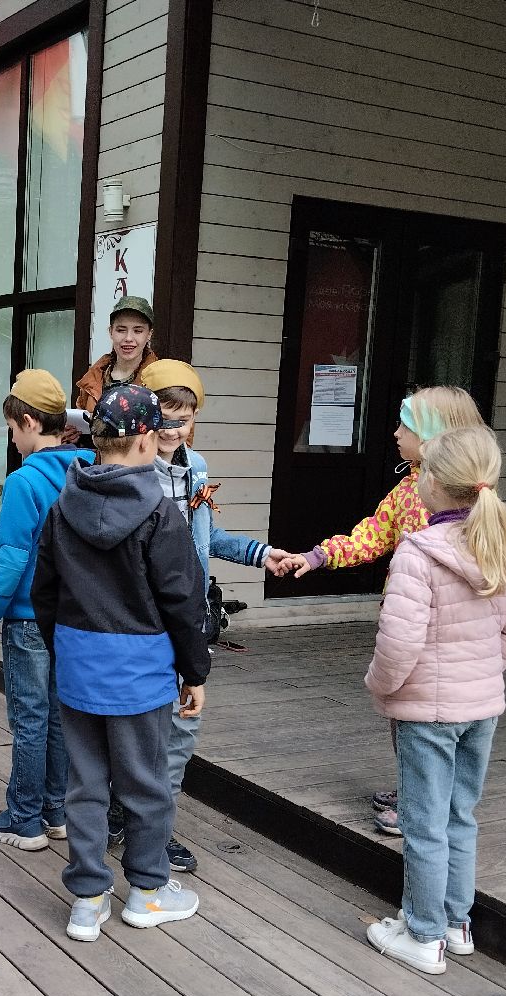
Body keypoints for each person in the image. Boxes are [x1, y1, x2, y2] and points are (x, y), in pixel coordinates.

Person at [33, 384, 210, 942]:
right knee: (145, 784)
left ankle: (87, 899)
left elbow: (43, 591)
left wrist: (63, 648)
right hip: (141, 673)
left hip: (79, 666)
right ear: (143, 440)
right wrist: (195, 670)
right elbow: (183, 599)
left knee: (83, 784)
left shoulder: (64, 506)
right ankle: (147, 892)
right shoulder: (160, 513)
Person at [363, 425, 506, 974]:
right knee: (461, 816)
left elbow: (398, 644)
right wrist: (481, 672)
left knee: (423, 823)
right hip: (481, 707)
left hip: (428, 715)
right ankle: (458, 924)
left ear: (432, 484)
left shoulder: (418, 553)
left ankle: (422, 933)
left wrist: (380, 686)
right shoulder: (504, 542)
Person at [275, 386, 485, 834]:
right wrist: (317, 556)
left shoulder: (465, 500)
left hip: (443, 637)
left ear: (432, 437)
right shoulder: (409, 487)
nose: (393, 433)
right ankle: (415, 788)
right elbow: (370, 535)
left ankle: (421, 804)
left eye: (403, 426)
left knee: (424, 721)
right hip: (411, 627)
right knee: (407, 719)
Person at [136, 358, 295, 872]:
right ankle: (126, 819)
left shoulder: (196, 471)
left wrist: (258, 552)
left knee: (181, 729)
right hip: (142, 622)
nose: (172, 427)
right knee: (137, 729)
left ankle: (154, 832)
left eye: (183, 417)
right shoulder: (129, 470)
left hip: (191, 622)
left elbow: (208, 538)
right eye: (163, 413)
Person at [0, 369, 93, 850]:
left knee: (29, 717)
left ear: (25, 422)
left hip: (27, 620)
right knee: (61, 716)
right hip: (73, 617)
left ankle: (22, 819)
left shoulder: (24, 482)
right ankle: (56, 811)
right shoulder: (86, 472)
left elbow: (12, 561)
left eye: (11, 428)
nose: (11, 438)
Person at [73, 295, 162, 413]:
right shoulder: (94, 377)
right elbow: (81, 418)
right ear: (111, 332)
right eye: (121, 330)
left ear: (149, 334)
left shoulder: (161, 380)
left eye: (138, 331)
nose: (128, 338)